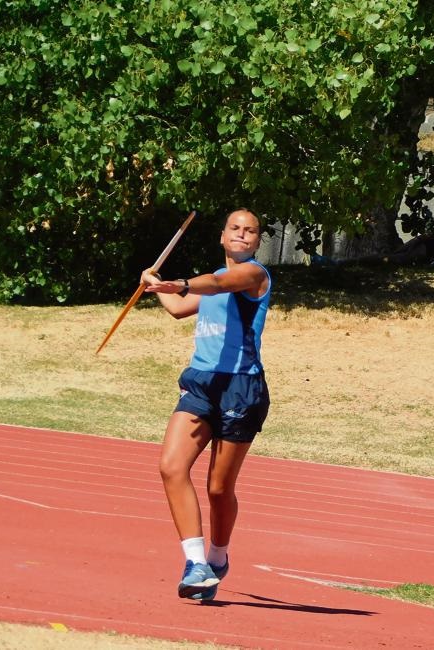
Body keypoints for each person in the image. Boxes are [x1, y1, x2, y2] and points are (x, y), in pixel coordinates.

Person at [140, 208, 271, 602]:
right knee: (171, 466)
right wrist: (157, 286)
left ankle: (218, 557)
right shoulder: (213, 278)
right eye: (235, 228)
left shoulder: (253, 276)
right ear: (222, 235)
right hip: (201, 382)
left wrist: (179, 282)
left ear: (257, 241)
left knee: (218, 488)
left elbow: (217, 285)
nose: (242, 235)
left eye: (250, 231)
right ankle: (195, 563)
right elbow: (182, 308)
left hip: (240, 389)